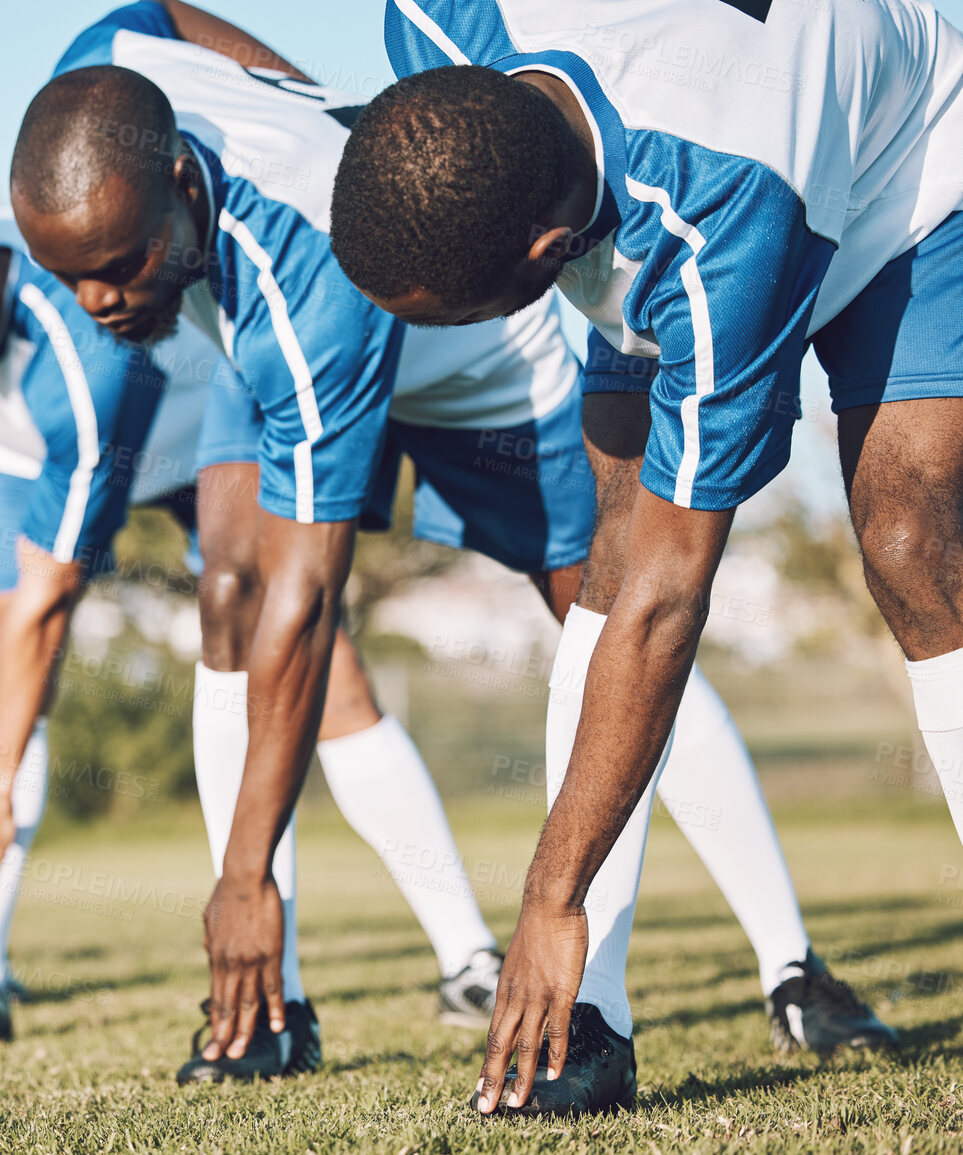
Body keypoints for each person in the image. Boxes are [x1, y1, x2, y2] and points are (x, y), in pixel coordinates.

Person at [13, 0, 896, 1091]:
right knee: (227, 591)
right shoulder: (98, 84)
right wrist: (313, 103)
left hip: (483, 361)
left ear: (185, 187)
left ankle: (790, 961)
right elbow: (161, 12)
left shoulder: (307, 275)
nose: (97, 301)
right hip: (281, 334)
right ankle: (262, 1009)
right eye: (69, 276)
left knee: (608, 610)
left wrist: (246, 876)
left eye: (122, 261)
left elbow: (312, 600)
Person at [325, 0, 963, 1115]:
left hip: (906, 176)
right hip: (673, 157)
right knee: (606, 544)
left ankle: (575, 945)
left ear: (547, 251)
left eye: (465, 314)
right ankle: (590, 1022)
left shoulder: (726, 218)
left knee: (911, 543)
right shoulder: (439, 25)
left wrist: (546, 895)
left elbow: (675, 600)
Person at [0, 159, 514, 1065]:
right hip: (33, 455)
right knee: (8, 662)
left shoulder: (80, 359)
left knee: (327, 683)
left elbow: (49, 610)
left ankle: (468, 955)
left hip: (189, 438)